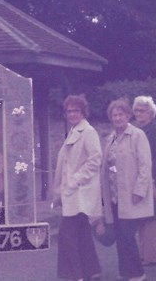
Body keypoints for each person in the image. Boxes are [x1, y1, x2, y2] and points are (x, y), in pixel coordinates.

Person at [101, 98, 153, 281]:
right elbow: (106, 167)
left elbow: (145, 165)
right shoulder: (110, 138)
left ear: (127, 116)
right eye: (114, 115)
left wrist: (139, 191)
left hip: (131, 196)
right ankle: (125, 272)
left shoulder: (137, 135)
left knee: (128, 237)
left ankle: (138, 273)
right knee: (121, 237)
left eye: (120, 114)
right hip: (114, 197)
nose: (117, 118)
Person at [53, 94, 102, 281]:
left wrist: (75, 180)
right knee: (81, 234)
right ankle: (91, 271)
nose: (72, 114)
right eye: (69, 111)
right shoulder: (74, 131)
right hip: (73, 193)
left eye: (76, 110)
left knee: (67, 236)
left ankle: (76, 275)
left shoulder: (88, 132)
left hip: (80, 192)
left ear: (83, 112)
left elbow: (95, 159)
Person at [133, 96, 156, 265]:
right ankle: (144, 254)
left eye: (142, 110)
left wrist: (152, 179)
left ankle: (151, 256)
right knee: (144, 216)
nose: (139, 114)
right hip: (141, 179)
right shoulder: (138, 131)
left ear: (151, 112)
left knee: (152, 217)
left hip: (153, 179)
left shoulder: (154, 131)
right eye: (136, 110)